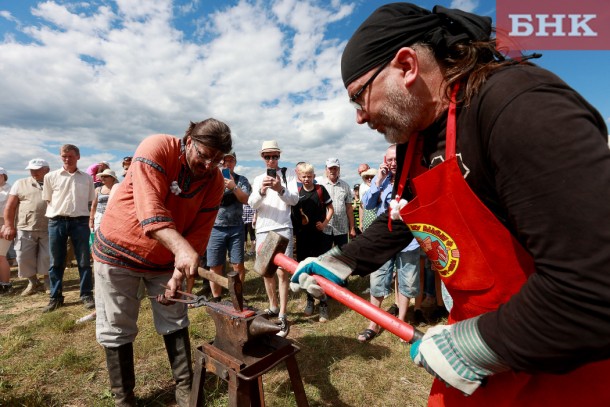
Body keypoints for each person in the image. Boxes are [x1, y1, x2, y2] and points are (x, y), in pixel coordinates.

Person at [290, 3, 610, 406]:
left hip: (563, 364)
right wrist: (342, 261)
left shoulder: (520, 108)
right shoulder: (416, 141)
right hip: (479, 356)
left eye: (359, 98)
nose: (359, 117)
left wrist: (479, 344)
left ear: (407, 66)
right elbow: (406, 218)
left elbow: (594, 285)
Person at [92, 118, 232, 406]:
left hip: (164, 260)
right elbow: (150, 210)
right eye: (204, 156)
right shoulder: (156, 148)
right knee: (117, 326)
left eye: (217, 160)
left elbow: (200, 231)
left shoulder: (214, 180)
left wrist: (178, 274)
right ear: (189, 139)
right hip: (118, 252)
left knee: (175, 319)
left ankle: (185, 394)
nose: (208, 165)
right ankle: (124, 399)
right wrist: (181, 250)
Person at [358, 144, 421, 342]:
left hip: (408, 240)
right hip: (384, 240)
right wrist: (378, 180)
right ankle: (373, 324)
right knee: (378, 281)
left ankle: (401, 323)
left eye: (397, 159)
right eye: (390, 160)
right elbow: (367, 204)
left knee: (407, 281)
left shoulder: (412, 180)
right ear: (385, 162)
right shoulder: (382, 182)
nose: (394, 163)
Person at [248, 140, 298, 337]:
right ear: (262, 157)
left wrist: (280, 189)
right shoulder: (258, 178)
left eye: (274, 156)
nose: (271, 160)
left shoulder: (288, 175)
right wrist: (262, 190)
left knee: (282, 273)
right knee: (267, 272)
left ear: (279, 156)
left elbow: (294, 200)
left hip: (283, 228)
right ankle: (273, 306)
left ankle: (283, 314)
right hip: (263, 230)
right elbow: (252, 204)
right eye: (267, 156)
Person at [42, 145, 96, 312]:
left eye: (70, 156)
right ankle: (55, 297)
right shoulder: (50, 177)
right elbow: (48, 199)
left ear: (78, 156)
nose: (67, 159)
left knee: (84, 260)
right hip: (56, 221)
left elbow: (89, 199)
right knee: (56, 261)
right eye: (64, 156)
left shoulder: (87, 178)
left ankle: (86, 294)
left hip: (80, 221)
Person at [206, 150, 251, 301]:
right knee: (215, 265)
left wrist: (233, 186)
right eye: (224, 161)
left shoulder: (241, 180)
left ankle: (237, 295)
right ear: (220, 162)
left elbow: (245, 199)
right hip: (215, 228)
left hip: (236, 227)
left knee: (238, 265)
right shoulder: (211, 179)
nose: (227, 164)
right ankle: (217, 297)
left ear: (235, 162)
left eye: (230, 161)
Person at [2, 159, 51, 296]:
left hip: (49, 226)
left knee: (47, 256)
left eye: (37, 169)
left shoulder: (53, 182)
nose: (33, 172)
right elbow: (10, 207)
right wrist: (8, 226)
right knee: (23, 256)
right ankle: (33, 282)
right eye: (31, 169)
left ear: (46, 169)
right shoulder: (20, 183)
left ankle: (48, 282)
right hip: (25, 226)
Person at [293, 162, 334, 322]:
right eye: (304, 176)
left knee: (319, 270)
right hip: (303, 238)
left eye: (309, 176)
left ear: (314, 176)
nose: (307, 179)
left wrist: (324, 223)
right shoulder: (296, 192)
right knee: (304, 270)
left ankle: (323, 303)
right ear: (299, 177)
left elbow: (331, 209)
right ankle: (310, 301)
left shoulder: (320, 190)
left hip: (319, 237)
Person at [319, 158, 356, 250]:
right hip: (325, 228)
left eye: (335, 168)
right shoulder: (320, 185)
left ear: (339, 169)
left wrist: (352, 228)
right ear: (326, 169)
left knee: (342, 257)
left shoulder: (346, 186)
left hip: (342, 228)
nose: (333, 171)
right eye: (330, 168)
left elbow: (349, 209)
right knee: (324, 257)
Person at [0, 167, 13, 294]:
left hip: (4, 223)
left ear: (4, 176)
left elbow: (12, 210)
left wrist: (6, 225)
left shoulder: (10, 190)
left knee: (1, 255)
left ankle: (6, 284)